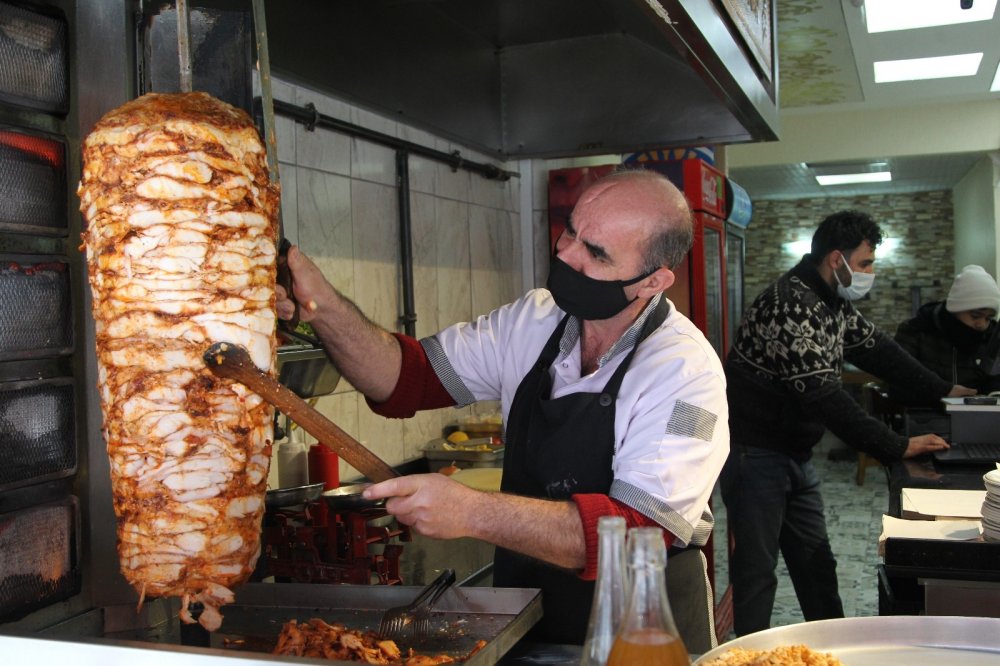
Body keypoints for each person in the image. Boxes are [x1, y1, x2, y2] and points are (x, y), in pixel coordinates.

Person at [276, 169, 730, 646]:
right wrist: (321, 304)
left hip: (645, 633)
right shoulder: (533, 320)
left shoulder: (685, 373)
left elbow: (636, 533)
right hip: (530, 618)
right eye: (571, 231)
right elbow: (404, 378)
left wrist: (473, 511)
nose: (566, 254)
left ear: (652, 281)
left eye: (595, 253)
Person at [720, 209, 975, 637]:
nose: (870, 272)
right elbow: (823, 396)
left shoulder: (832, 301)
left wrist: (944, 390)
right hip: (755, 456)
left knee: (817, 565)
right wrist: (895, 445)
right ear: (836, 260)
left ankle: (836, 648)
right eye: (866, 264)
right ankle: (749, 657)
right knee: (756, 574)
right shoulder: (791, 304)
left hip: (793, 455)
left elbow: (879, 351)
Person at [889, 264, 1000, 407]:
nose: (982, 324)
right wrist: (941, 392)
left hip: (977, 417)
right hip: (924, 419)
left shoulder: (991, 337)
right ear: (955, 309)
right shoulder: (916, 331)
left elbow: (995, 379)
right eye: (975, 316)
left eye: (988, 318)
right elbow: (898, 382)